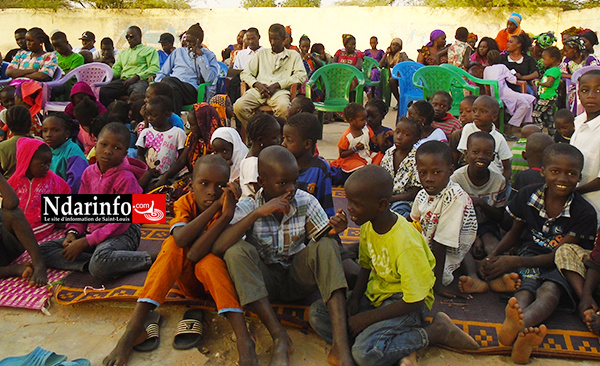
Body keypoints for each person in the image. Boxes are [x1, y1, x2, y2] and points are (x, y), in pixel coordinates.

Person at [310, 164, 479, 366]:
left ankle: (434, 332)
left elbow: (415, 300)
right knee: (318, 314)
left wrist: (367, 319)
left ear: (381, 205)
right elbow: (365, 264)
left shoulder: (406, 243)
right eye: (348, 201)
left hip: (407, 305)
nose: (349, 208)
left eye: (356, 203)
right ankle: (385, 343)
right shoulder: (368, 226)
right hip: (377, 296)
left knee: (364, 355)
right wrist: (355, 298)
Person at [102, 154, 257, 366]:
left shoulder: (232, 209)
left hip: (217, 285)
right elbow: (183, 240)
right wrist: (218, 210)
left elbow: (203, 254)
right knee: (173, 245)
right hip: (188, 282)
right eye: (204, 184)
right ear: (190, 185)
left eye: (220, 185)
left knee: (209, 261)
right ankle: (133, 330)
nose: (212, 191)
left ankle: (244, 340)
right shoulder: (186, 203)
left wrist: (227, 215)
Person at [216, 145, 355, 365]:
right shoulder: (249, 205)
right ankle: (280, 336)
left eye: (294, 181)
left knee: (327, 245)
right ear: (262, 182)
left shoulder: (305, 201)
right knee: (236, 251)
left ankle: (340, 345)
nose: (290, 189)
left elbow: (320, 237)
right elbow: (219, 247)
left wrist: (335, 229)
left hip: (297, 279)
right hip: (264, 286)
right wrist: (256, 214)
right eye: (282, 183)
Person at [482, 143, 596, 364]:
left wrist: (513, 260)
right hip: (530, 253)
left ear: (579, 177)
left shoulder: (584, 212)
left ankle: (521, 329)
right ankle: (515, 325)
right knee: (525, 289)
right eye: (555, 171)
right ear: (543, 171)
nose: (563, 178)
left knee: (549, 292)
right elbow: (514, 233)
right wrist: (494, 255)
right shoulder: (527, 195)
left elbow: (560, 254)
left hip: (561, 264)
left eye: (571, 173)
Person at [40, 122, 152, 281]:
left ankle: (147, 258)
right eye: (103, 144)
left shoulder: (126, 178)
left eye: (116, 148)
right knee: (44, 250)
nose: (108, 151)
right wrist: (73, 233)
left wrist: (86, 241)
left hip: (123, 232)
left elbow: (119, 224)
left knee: (99, 262)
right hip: (93, 232)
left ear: (125, 153)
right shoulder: (88, 172)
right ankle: (97, 262)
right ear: (95, 145)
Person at [412, 141, 477, 298]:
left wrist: (437, 284)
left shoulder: (454, 197)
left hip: (448, 253)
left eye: (436, 172)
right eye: (423, 173)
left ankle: (470, 280)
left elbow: (442, 243)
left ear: (450, 171)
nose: (428, 179)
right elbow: (412, 222)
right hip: (429, 245)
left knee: (413, 276)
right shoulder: (422, 194)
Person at [233, 23, 306, 128]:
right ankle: (257, 130)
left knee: (284, 108)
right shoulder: (261, 54)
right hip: (259, 91)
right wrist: (257, 84)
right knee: (238, 107)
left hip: (280, 92)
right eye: (270, 39)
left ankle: (276, 134)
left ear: (283, 38)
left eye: (276, 39)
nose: (272, 42)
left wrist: (277, 85)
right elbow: (246, 73)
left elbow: (301, 75)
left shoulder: (293, 55)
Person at [452, 132, 507, 262]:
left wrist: (481, 203)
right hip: (460, 226)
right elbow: (453, 215)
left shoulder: (499, 181)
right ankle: (473, 276)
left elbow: (499, 215)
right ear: (466, 154)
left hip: (487, 224)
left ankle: (492, 269)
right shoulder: (456, 179)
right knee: (463, 249)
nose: (481, 157)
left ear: (493, 157)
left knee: (491, 245)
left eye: (487, 153)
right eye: (475, 152)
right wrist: (474, 238)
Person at [151, 102, 224, 191]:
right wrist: (165, 177)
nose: (190, 128)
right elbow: (182, 160)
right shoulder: (193, 138)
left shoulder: (217, 142)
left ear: (203, 124)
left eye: (193, 125)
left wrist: (194, 176)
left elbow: (215, 170)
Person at [8, 138, 70, 241]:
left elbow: (65, 192)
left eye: (48, 164)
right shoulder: (15, 180)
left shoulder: (52, 180)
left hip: (41, 223)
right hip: (18, 222)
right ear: (26, 161)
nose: (46, 167)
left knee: (23, 235)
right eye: (43, 164)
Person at [155, 24, 219, 114]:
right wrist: (158, 85)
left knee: (169, 82)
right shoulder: (178, 52)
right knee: (172, 89)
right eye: (186, 41)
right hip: (173, 88)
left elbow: (210, 79)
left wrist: (201, 57)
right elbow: (163, 72)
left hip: (190, 90)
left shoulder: (208, 55)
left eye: (191, 41)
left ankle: (171, 122)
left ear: (199, 41)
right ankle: (174, 121)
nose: (187, 44)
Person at [0, 169, 48, 286]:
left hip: (6, 246)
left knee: (14, 213)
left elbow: (12, 203)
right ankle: (14, 269)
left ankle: (38, 263)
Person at [99, 26, 160, 107]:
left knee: (137, 96)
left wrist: (137, 77)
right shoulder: (123, 53)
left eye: (131, 36)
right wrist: (106, 74)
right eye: (127, 36)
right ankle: (114, 113)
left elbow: (154, 69)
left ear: (140, 36)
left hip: (139, 80)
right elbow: (116, 70)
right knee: (102, 91)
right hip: (123, 81)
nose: (128, 39)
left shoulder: (149, 50)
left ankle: (133, 118)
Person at [457, 96, 512, 182]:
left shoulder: (499, 138)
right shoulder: (468, 129)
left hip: (494, 179)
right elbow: (467, 157)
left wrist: (502, 185)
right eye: (474, 110)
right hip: (472, 176)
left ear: (494, 117)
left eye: (483, 111)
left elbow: (507, 167)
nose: (477, 114)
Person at [484, 50, 535, 140]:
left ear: (488, 60)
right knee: (525, 104)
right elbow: (513, 80)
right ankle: (510, 126)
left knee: (530, 99)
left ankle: (526, 126)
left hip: (495, 94)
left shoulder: (486, 69)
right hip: (504, 93)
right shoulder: (502, 67)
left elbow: (486, 84)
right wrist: (515, 74)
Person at [570, 69, 600, 220]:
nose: (591, 95)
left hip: (595, 207)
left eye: (599, 90)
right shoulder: (578, 122)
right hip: (575, 204)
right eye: (585, 90)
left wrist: (573, 192)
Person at [135, 96, 186, 180]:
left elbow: (182, 159)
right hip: (147, 174)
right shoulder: (146, 132)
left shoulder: (178, 133)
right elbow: (140, 154)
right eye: (148, 115)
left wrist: (168, 175)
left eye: (154, 115)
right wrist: (149, 170)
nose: (149, 118)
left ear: (166, 114)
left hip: (169, 176)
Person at [380, 117, 422, 218]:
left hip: (405, 201)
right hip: (387, 197)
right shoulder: (389, 153)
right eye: (397, 132)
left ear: (415, 140)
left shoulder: (417, 159)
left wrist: (390, 199)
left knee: (398, 210)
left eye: (406, 134)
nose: (399, 137)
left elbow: (413, 193)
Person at [43, 113, 88, 193]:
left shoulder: (72, 152)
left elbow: (76, 183)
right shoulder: (44, 149)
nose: (48, 135)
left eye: (55, 130)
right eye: (45, 131)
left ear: (67, 133)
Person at [330, 103, 374, 185]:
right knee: (361, 168)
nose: (365, 122)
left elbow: (374, 140)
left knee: (380, 157)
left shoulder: (366, 129)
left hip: (365, 155)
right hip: (351, 159)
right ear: (351, 120)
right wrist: (355, 149)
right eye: (362, 120)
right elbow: (342, 154)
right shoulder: (347, 137)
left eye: (365, 119)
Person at [239, 113, 280, 198]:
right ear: (261, 140)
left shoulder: (258, 159)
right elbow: (261, 194)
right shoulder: (253, 164)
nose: (279, 140)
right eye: (274, 137)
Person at [560, 36, 600, 112]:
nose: (564, 53)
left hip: (589, 89)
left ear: (575, 50)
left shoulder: (591, 59)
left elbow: (596, 73)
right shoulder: (567, 60)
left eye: (566, 50)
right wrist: (575, 77)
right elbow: (560, 73)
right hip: (572, 90)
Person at [532, 47, 562, 135]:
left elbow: (549, 84)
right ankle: (553, 135)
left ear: (552, 59)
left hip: (547, 97)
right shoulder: (552, 70)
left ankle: (539, 133)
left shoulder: (553, 70)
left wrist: (538, 83)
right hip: (549, 96)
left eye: (544, 59)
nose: (542, 61)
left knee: (535, 115)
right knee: (549, 118)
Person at [0, 106, 31, 179]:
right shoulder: (40, 142)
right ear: (30, 123)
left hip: (9, 187)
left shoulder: (3, 146)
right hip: (32, 186)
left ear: (8, 125)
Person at [378, 38, 409, 108]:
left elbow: (406, 65)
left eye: (397, 45)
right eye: (392, 45)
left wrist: (400, 72)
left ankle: (404, 102)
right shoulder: (389, 57)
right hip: (393, 78)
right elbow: (380, 65)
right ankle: (400, 101)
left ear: (400, 48)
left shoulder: (402, 55)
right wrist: (386, 53)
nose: (394, 47)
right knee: (391, 81)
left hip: (402, 77)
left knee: (393, 80)